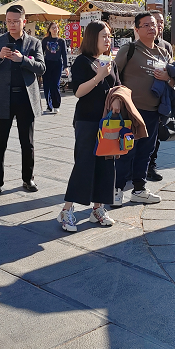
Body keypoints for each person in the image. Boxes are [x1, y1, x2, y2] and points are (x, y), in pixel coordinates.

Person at [58, 21, 121, 231]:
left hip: (108, 121)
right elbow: (78, 92)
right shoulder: (83, 62)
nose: (108, 39)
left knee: (106, 165)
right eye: (104, 36)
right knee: (84, 164)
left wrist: (117, 99)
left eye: (109, 36)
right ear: (92, 37)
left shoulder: (110, 61)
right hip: (87, 119)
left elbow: (117, 87)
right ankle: (67, 210)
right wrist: (99, 76)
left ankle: (98, 208)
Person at [0, 4, 46, 197]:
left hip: (26, 99)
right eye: (9, 21)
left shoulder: (34, 43)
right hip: (4, 98)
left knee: (27, 142)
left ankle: (28, 179)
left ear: (23, 22)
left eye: (16, 21)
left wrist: (23, 60)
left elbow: (41, 68)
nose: (11, 25)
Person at [112, 12, 172, 206]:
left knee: (145, 152)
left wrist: (168, 78)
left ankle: (139, 189)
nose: (151, 28)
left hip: (153, 112)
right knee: (125, 151)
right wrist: (116, 99)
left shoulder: (164, 52)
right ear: (136, 30)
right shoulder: (129, 50)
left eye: (153, 24)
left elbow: (174, 82)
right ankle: (116, 190)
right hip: (130, 111)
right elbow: (114, 75)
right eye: (145, 25)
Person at [146, 12, 174, 183]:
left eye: (161, 22)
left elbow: (172, 72)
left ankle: (151, 167)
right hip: (142, 98)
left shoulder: (166, 46)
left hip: (161, 98)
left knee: (156, 137)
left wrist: (169, 80)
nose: (158, 25)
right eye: (155, 22)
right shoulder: (140, 45)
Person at [41, 21, 68, 113]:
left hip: (57, 64)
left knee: (55, 84)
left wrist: (66, 66)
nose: (54, 29)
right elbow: (40, 53)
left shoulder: (61, 41)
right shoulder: (45, 40)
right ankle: (49, 105)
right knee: (46, 85)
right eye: (52, 27)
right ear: (49, 29)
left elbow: (64, 54)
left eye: (56, 27)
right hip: (47, 64)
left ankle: (56, 104)